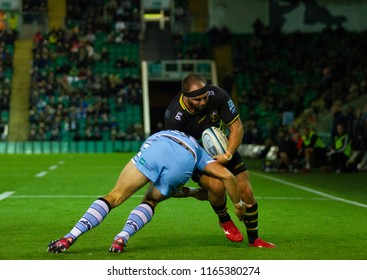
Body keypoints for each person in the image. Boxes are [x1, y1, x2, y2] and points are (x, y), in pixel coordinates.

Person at [47, 130, 246, 253]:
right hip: (183, 161)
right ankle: (121, 239)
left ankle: (70, 236)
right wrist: (238, 205)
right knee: (151, 200)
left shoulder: (170, 131)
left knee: (115, 196)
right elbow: (228, 177)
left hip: (158, 147)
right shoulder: (201, 154)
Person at [164, 73, 275, 248]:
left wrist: (228, 154)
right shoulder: (174, 117)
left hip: (223, 148)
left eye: (205, 97)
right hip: (196, 156)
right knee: (217, 186)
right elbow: (177, 151)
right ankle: (225, 220)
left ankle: (255, 239)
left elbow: (236, 126)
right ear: (186, 97)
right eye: (198, 100)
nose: (203, 102)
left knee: (246, 190)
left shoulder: (218, 95)